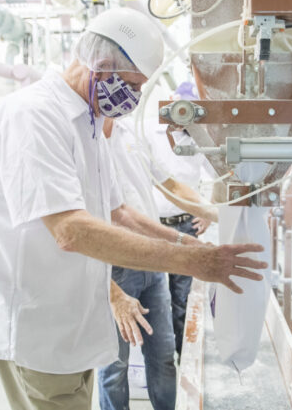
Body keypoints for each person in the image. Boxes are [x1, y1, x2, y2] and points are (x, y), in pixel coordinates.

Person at [0, 7, 267, 410]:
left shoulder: (87, 121)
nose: (134, 101)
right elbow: (71, 230)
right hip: (35, 322)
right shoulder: (32, 116)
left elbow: (119, 211)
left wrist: (187, 245)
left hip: (70, 316)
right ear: (101, 67)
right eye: (132, 86)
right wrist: (192, 264)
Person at [98, 116, 217, 410]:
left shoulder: (134, 133)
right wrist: (111, 291)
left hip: (152, 261)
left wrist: (217, 212)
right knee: (113, 366)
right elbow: (119, 215)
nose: (134, 93)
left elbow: (171, 186)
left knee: (163, 356)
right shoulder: (84, 136)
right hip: (114, 264)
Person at [151, 81, 215, 357]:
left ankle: (184, 360)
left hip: (186, 226)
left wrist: (209, 212)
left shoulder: (199, 140)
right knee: (154, 299)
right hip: (151, 227)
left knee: (183, 300)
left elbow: (220, 173)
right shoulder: (149, 133)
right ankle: (158, 359)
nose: (181, 115)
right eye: (178, 107)